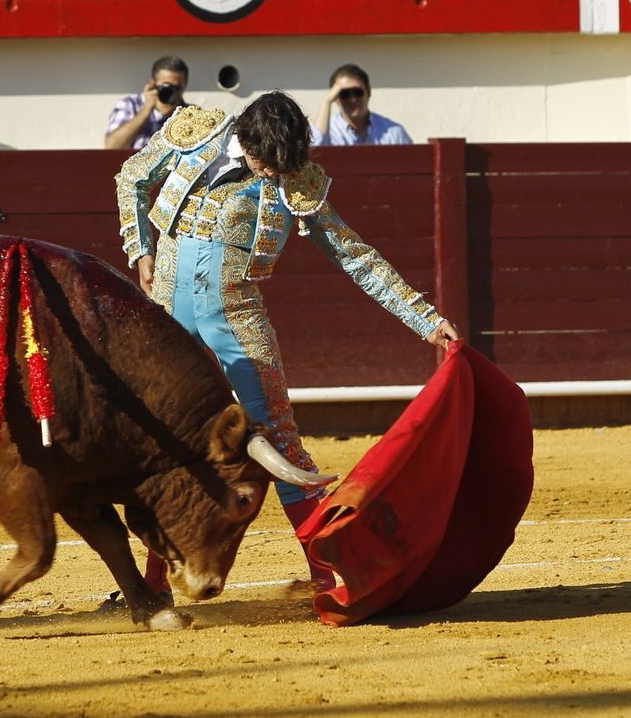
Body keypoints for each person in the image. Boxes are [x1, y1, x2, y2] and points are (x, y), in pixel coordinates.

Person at [115, 90, 459, 591]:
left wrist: (424, 318)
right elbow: (132, 177)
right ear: (243, 139)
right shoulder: (194, 133)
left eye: (281, 167)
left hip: (237, 318)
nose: (273, 176)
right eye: (264, 164)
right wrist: (140, 249)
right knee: (160, 443)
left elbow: (352, 253)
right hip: (167, 318)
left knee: (280, 440)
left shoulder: (294, 179)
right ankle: (153, 586)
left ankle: (329, 571)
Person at [309, 63, 411, 145]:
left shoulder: (394, 133)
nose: (352, 99)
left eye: (357, 92)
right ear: (335, 98)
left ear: (369, 91)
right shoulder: (328, 131)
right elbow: (316, 151)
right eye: (344, 94)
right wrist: (326, 102)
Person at [105, 54, 186, 149]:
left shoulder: (190, 113)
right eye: (166, 87)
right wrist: (146, 110)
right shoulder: (131, 104)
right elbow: (112, 147)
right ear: (153, 84)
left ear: (184, 86)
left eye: (177, 88)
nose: (172, 93)